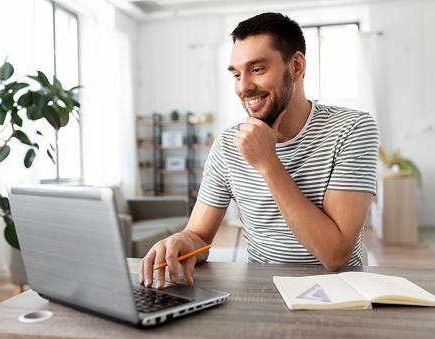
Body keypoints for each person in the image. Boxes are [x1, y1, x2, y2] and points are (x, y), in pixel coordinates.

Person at [140, 12, 379, 289]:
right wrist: (182, 240)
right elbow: (199, 236)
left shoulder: (352, 128)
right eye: (237, 74)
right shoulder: (228, 145)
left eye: (257, 69)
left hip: (340, 293)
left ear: (297, 67)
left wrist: (267, 162)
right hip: (264, 292)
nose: (243, 87)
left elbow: (335, 255)